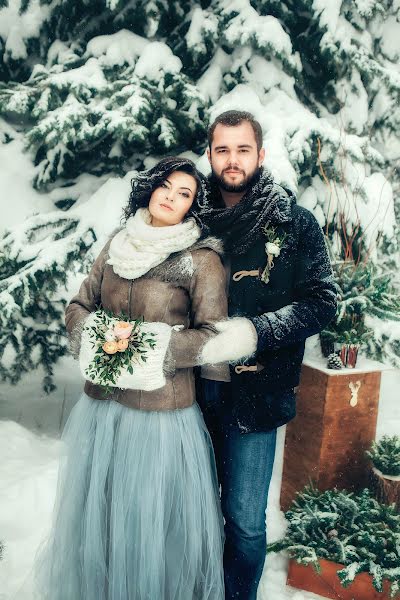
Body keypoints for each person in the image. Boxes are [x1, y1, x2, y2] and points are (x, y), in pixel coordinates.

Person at [35, 156, 256, 600]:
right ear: (151, 188)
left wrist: (150, 347)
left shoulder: (200, 258)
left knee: (148, 524)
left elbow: (213, 336)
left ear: (194, 205)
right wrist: (97, 337)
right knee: (102, 516)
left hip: (160, 415)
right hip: (102, 408)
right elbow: (79, 305)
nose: (171, 198)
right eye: (166, 187)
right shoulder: (118, 242)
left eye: (185, 194)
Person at [198, 110, 338, 599]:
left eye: (242, 149)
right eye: (222, 149)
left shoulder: (295, 223)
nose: (232, 160)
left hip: (255, 398)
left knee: (243, 519)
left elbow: (323, 300)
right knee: (193, 510)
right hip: (189, 394)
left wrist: (257, 332)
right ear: (210, 154)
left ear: (260, 154)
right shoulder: (190, 217)